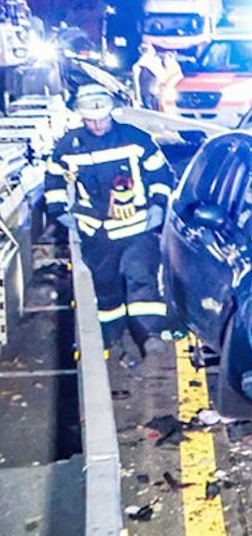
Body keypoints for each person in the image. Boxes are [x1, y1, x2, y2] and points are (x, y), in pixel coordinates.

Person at [47, 84, 176, 365]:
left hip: (136, 228)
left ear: (111, 113)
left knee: (141, 279)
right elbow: (55, 179)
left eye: (102, 118)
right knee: (106, 289)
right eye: (90, 120)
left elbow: (162, 175)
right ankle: (112, 337)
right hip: (96, 232)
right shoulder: (68, 146)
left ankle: (149, 334)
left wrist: (157, 206)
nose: (96, 124)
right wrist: (58, 210)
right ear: (81, 117)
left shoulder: (135, 138)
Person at [132, 39, 165, 109]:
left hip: (154, 93)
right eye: (143, 49)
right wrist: (138, 98)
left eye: (146, 49)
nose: (145, 51)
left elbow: (161, 75)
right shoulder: (138, 66)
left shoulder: (156, 61)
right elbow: (136, 83)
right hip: (146, 94)